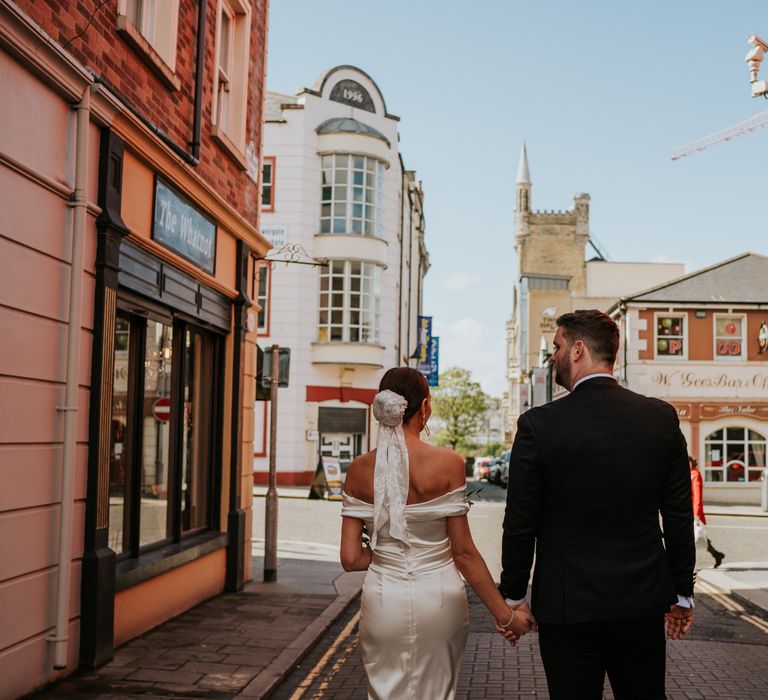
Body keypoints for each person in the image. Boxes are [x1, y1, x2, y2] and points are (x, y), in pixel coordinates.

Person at [499, 309, 696, 700]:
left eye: (556, 346)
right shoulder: (660, 418)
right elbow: (678, 515)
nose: (552, 356)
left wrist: (513, 598)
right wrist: (682, 594)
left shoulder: (539, 425)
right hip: (640, 604)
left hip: (567, 608)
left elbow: (521, 521)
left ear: (578, 350)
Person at [340, 367, 533, 700]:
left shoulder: (359, 469)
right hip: (438, 598)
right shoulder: (448, 463)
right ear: (425, 407)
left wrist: (391, 551)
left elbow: (350, 558)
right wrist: (507, 616)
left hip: (384, 598)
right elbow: (464, 553)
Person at [690, 456, 725, 568]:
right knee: (699, 537)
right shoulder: (688, 475)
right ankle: (717, 555)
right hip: (689, 512)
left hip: (694, 513)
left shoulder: (695, 475)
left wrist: (696, 514)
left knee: (692, 539)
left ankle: (690, 565)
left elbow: (697, 496)